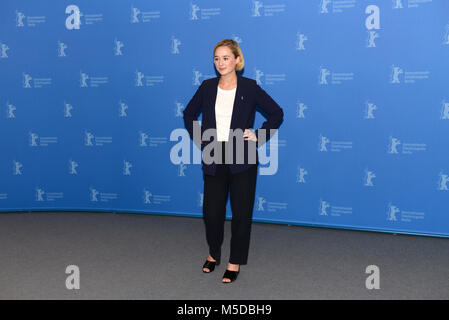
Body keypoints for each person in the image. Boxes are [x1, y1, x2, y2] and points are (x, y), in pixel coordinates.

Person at [183, 39, 283, 283]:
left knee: (241, 213)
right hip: (214, 156)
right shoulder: (207, 87)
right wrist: (200, 139)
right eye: (216, 58)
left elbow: (276, 113)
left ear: (238, 60)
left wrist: (258, 135)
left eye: (226, 58)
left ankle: (234, 261)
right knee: (212, 212)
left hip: (243, 159)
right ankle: (213, 253)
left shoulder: (250, 87)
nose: (220, 63)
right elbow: (188, 113)